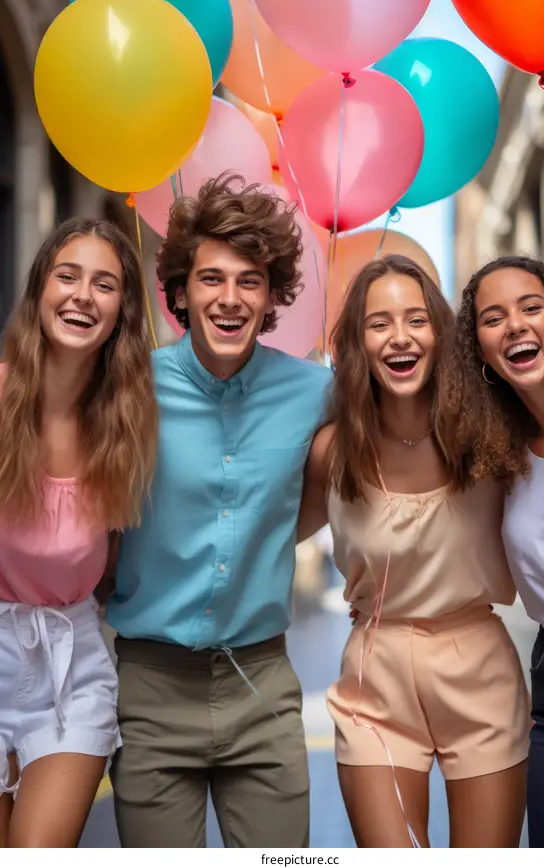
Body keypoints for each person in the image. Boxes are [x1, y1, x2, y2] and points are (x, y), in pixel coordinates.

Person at [106, 175, 332, 848]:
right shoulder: (130, 388)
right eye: (211, 279)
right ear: (179, 294)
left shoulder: (315, 391)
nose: (230, 298)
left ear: (271, 297)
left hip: (263, 686)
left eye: (250, 281)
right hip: (150, 688)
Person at [299, 254, 530, 848]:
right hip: (374, 679)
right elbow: (262, 535)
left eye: (416, 320)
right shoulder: (333, 451)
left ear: (441, 334)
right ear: (358, 344)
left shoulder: (489, 434)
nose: (399, 337)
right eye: (379, 323)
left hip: (479, 670)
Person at [0, 218, 157, 847]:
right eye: (67, 276)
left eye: (104, 285)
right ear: (41, 288)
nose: (82, 296)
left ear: (122, 313)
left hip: (72, 670)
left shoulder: (128, 423)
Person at [443, 254, 544, 848]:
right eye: (493, 318)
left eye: (531, 307)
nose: (514, 325)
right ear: (481, 353)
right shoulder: (497, 454)